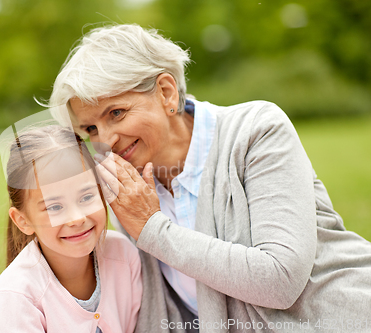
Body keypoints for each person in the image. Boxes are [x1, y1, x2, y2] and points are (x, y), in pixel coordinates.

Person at [48, 24, 371, 332]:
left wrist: (151, 228)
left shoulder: (256, 130)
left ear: (166, 92)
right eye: (90, 129)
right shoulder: (126, 183)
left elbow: (280, 281)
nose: (107, 141)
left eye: (116, 113)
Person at [0, 124, 142, 333]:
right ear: (23, 221)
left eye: (86, 197)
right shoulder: (18, 294)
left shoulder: (123, 255)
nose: (77, 218)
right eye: (54, 207)